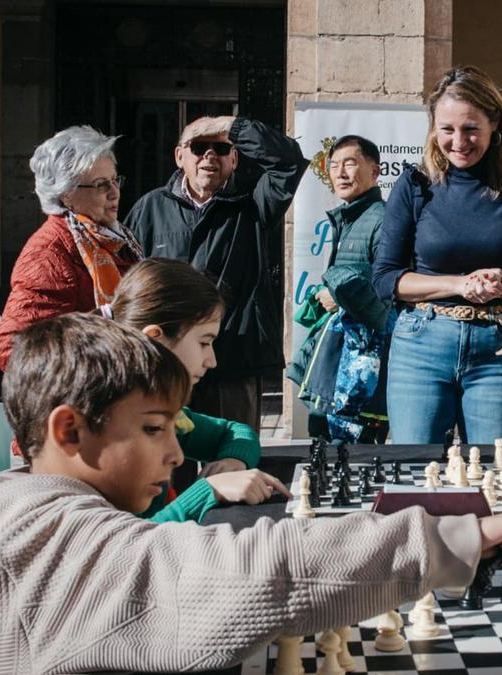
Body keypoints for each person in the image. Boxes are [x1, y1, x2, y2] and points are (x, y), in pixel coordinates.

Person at [0, 313, 502, 673]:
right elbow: (264, 572)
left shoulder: (1, 516)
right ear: (70, 429)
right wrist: (454, 536)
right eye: (152, 428)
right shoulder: (77, 553)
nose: (175, 453)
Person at [372, 66, 502, 444]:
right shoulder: (415, 184)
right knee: (417, 473)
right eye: (447, 129)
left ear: (495, 126)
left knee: (492, 476)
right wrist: (459, 284)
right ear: (433, 129)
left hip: (499, 346)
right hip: (421, 346)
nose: (459, 141)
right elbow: (386, 278)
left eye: (471, 128)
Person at [126, 116, 307, 431]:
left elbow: (289, 161)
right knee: (166, 467)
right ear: (180, 156)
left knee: (230, 461)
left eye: (221, 148)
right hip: (165, 361)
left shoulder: (252, 204)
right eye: (199, 147)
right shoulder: (150, 207)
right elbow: (127, 281)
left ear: (234, 159)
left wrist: (232, 126)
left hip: (231, 361)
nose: (210, 155)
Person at [110, 257, 287, 523]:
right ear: (155, 339)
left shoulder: (163, 409)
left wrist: (233, 461)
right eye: (204, 342)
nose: (212, 361)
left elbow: (236, 431)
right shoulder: (110, 427)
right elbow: (126, 543)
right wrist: (209, 490)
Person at [0, 125, 142, 370]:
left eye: (115, 180)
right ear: (65, 194)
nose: (114, 193)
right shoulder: (49, 252)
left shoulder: (112, 238)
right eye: (100, 184)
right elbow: (15, 351)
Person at [287, 135, 393, 443]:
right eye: (334, 165)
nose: (340, 173)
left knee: (350, 454)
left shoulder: (381, 218)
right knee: (325, 444)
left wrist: (339, 291)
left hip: (360, 366)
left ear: (375, 172)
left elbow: (387, 282)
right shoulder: (349, 217)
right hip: (339, 356)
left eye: (350, 163)